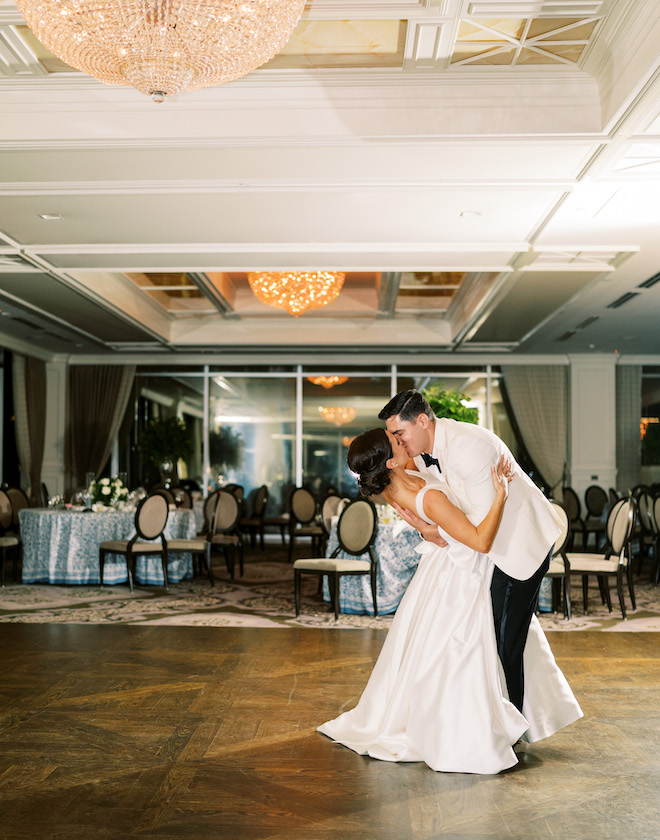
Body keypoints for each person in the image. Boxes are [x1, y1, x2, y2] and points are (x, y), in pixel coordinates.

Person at [317, 428, 582, 774]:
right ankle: (476, 727)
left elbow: (430, 520)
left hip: (443, 569)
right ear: (392, 459)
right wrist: (500, 495)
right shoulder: (426, 496)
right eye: (397, 440)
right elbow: (479, 540)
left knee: (449, 648)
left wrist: (432, 529)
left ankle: (494, 717)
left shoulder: (397, 483)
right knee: (469, 651)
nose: (404, 440)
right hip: (463, 573)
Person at [379, 390, 563, 713]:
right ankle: (500, 720)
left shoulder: (469, 449)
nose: (399, 443)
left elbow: (480, 535)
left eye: (399, 434)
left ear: (422, 421)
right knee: (487, 637)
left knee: (506, 642)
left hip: (520, 546)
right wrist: (426, 527)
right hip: (494, 548)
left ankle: (511, 729)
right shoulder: (425, 448)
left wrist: (434, 531)